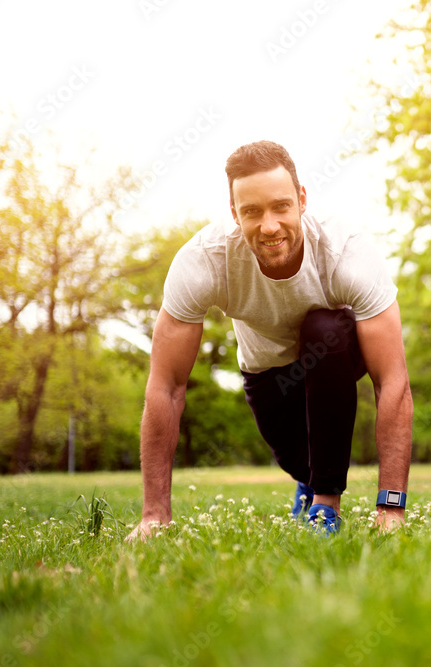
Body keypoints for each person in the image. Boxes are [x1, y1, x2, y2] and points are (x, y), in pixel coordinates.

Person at [126, 140, 413, 541]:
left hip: (333, 359)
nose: (270, 226)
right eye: (252, 212)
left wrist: (391, 507)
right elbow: (167, 385)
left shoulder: (346, 251)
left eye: (281, 207)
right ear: (234, 214)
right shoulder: (204, 261)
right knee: (303, 467)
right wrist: (154, 515)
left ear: (301, 200)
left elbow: (392, 381)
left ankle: (325, 507)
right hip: (268, 375)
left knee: (324, 329)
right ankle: (310, 484)